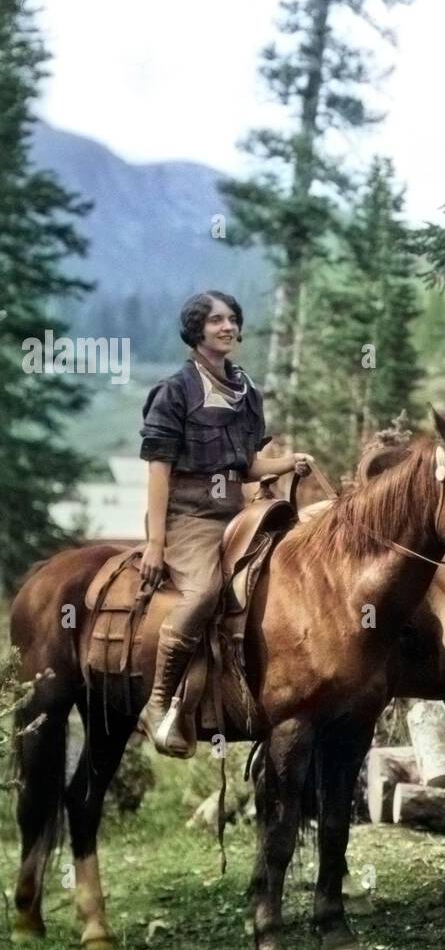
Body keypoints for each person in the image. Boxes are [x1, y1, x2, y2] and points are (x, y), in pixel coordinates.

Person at [137, 290, 311, 757]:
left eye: (232, 318)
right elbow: (158, 468)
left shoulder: (245, 390)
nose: (228, 326)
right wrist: (157, 541)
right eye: (216, 320)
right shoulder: (174, 391)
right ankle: (158, 703)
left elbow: (248, 466)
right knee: (206, 591)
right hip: (188, 515)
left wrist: (287, 462)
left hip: (237, 509)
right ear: (196, 329)